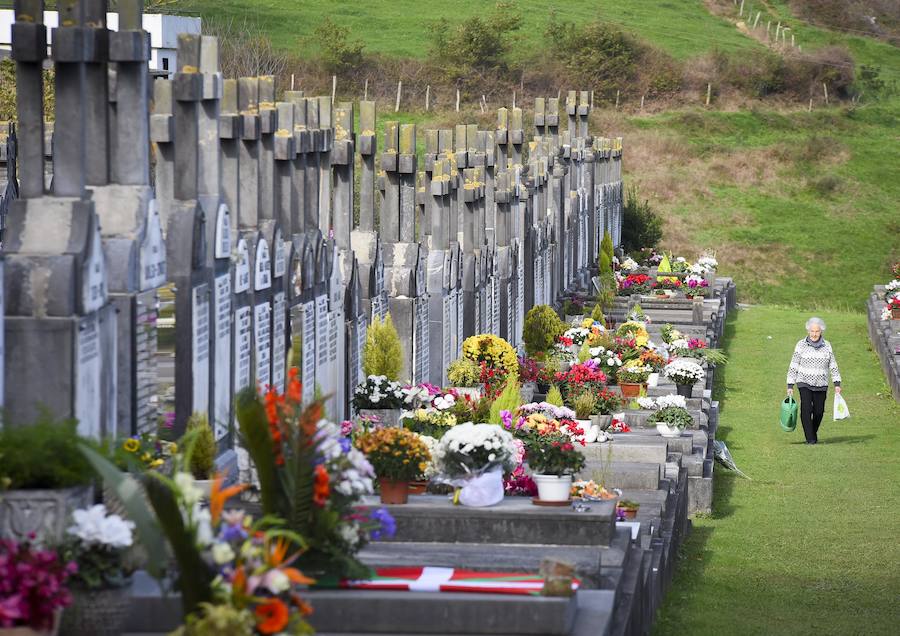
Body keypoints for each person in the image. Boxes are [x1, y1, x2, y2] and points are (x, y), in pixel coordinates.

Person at [786, 317, 842, 444]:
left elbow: (833, 365)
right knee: (806, 409)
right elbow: (793, 365)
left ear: (821, 331)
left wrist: (837, 383)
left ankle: (812, 433)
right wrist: (790, 385)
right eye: (812, 331)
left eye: (817, 331)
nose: (814, 334)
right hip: (804, 381)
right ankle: (810, 439)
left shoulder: (827, 346)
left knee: (819, 411)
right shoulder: (801, 345)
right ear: (808, 331)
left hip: (821, 383)